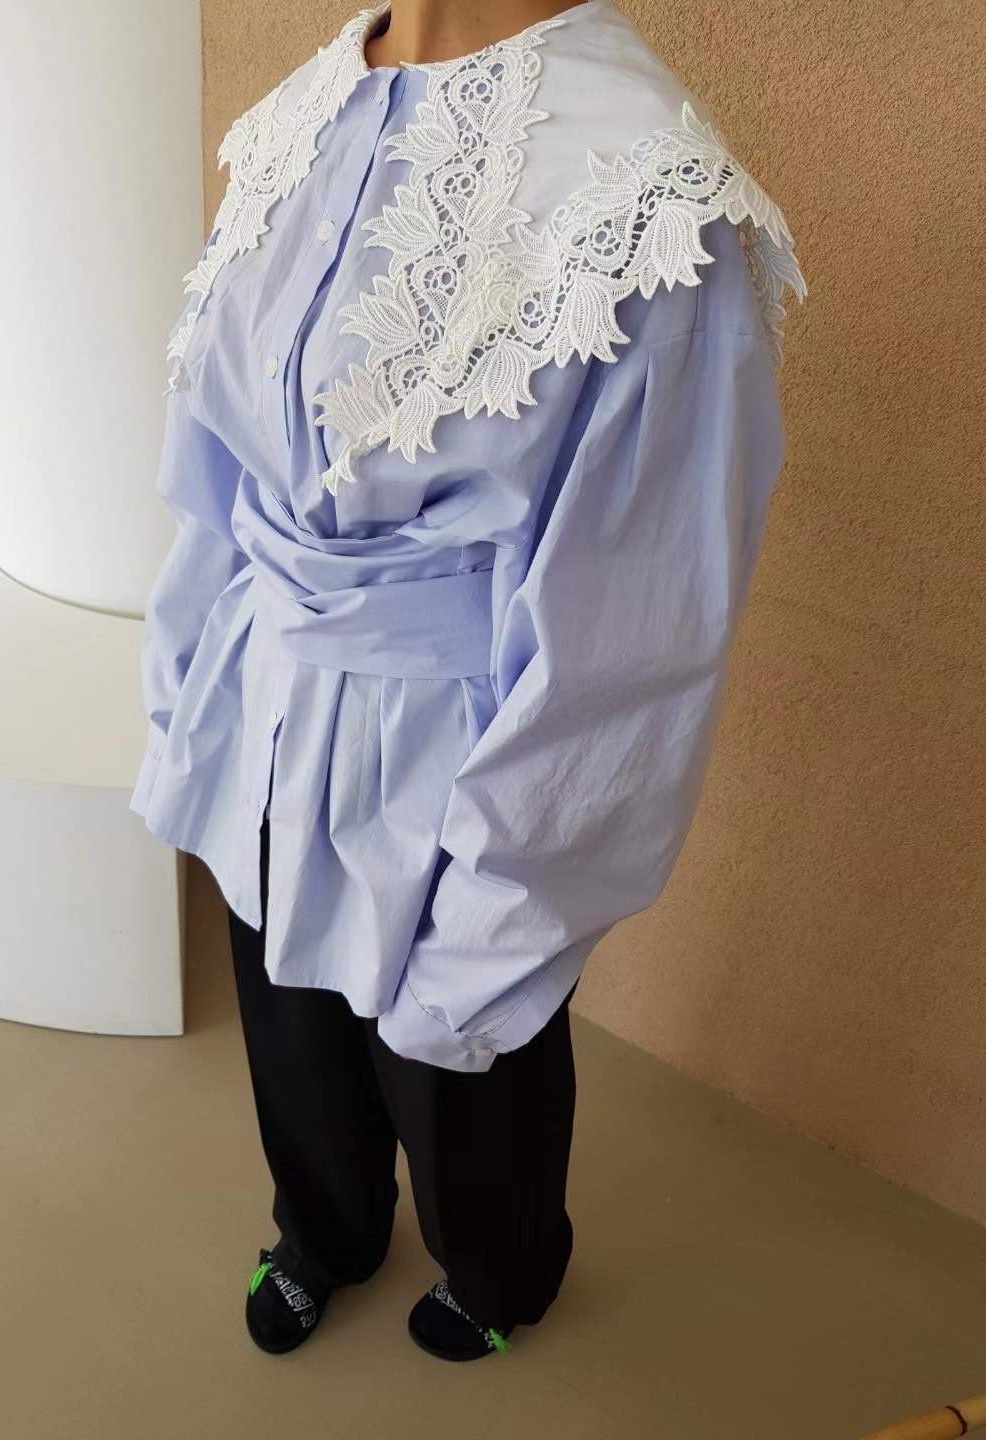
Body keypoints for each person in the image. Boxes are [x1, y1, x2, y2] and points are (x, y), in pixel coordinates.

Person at [130, 0, 807, 1362]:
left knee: (459, 1063)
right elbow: (214, 458)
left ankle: (499, 1275)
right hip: (262, 702)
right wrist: (186, 691)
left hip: (454, 744)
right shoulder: (301, 114)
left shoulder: (644, 198)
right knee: (288, 1023)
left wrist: (512, 898)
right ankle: (324, 1227)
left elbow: (637, 629)